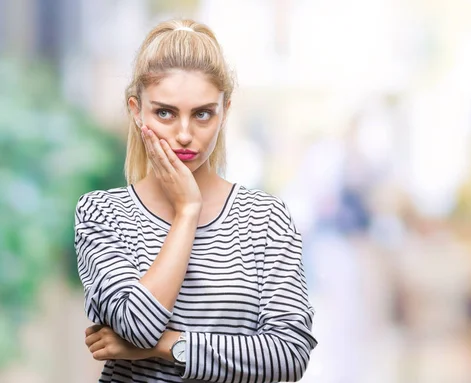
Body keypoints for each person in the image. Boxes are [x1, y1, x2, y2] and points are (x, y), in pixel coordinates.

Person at [74, 19, 317, 382]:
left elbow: (289, 353)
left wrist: (168, 345)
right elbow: (136, 326)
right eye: (165, 113)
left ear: (225, 111)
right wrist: (187, 212)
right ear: (136, 110)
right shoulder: (102, 214)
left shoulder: (267, 218)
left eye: (202, 114)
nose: (184, 134)